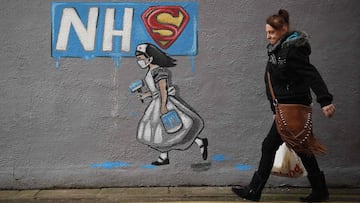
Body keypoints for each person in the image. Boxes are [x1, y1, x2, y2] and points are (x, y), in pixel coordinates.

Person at [232, 9, 335, 202]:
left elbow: (310, 73)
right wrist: (274, 109)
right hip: (283, 108)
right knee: (300, 147)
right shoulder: (277, 50)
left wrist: (325, 100)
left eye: (271, 32)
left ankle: (254, 190)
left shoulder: (293, 50)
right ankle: (320, 191)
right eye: (267, 33)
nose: (268, 36)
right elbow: (273, 82)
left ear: (284, 29)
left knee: (270, 145)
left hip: (293, 108)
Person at [134, 43, 208, 166]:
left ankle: (197, 142)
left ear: (150, 58)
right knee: (162, 133)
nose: (139, 62)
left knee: (171, 130)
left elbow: (163, 90)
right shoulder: (150, 72)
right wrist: (145, 95)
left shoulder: (159, 72)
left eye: (140, 59)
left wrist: (163, 106)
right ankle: (166, 156)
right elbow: (156, 91)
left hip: (164, 104)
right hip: (157, 103)